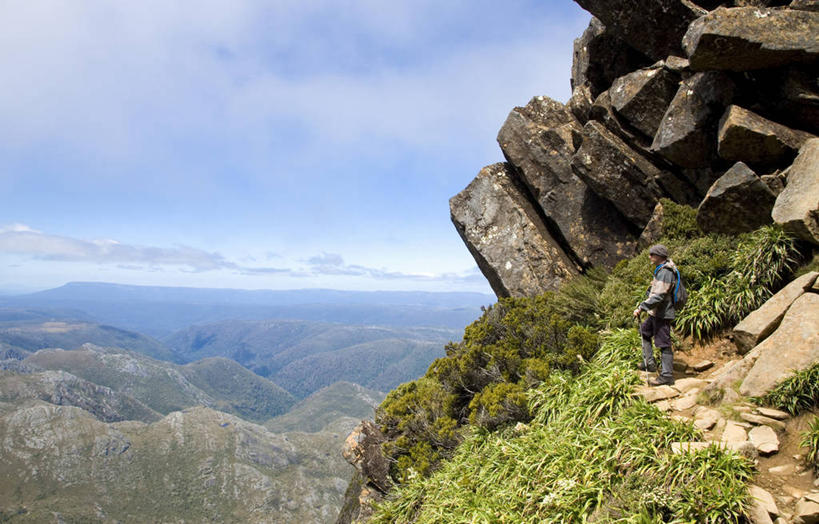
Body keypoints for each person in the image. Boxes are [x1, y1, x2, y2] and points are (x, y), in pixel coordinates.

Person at [632, 244, 677, 386]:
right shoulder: (661, 270)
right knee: (644, 332)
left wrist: (642, 307)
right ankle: (649, 363)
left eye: (652, 254)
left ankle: (667, 375)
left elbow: (659, 297)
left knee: (663, 343)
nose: (650, 257)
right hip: (655, 312)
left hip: (663, 313)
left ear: (659, 256)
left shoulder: (666, 272)